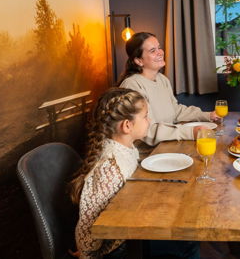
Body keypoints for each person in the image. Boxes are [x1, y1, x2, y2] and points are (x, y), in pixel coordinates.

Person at [69, 87, 199, 259]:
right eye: (145, 116)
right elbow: (88, 227)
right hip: (120, 248)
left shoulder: (127, 148)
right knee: (187, 243)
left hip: (129, 230)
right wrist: (87, 253)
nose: (150, 120)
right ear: (127, 125)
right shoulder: (110, 167)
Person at [118, 32, 218, 146]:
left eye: (159, 47)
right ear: (138, 60)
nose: (160, 52)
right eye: (152, 50)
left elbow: (175, 111)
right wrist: (190, 132)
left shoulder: (162, 79)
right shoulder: (132, 85)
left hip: (167, 144)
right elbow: (146, 131)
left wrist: (206, 115)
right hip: (148, 153)